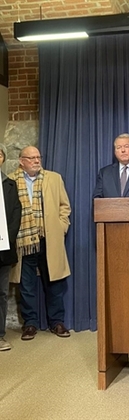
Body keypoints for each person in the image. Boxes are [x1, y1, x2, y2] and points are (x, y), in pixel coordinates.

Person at [9, 146, 71, 340]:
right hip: (23, 241)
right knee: (26, 285)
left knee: (54, 282)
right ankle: (30, 324)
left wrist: (61, 227)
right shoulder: (11, 181)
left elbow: (64, 206)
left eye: (38, 157)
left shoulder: (54, 178)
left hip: (48, 239)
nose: (37, 161)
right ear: (22, 161)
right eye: (32, 158)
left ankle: (57, 322)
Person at [0, 144, 21, 351]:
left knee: (1, 293)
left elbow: (16, 213)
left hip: (3, 250)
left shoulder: (10, 184)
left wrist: (8, 239)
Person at [93, 133, 129, 198]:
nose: (123, 150)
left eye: (126, 146)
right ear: (115, 152)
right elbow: (97, 200)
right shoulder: (104, 173)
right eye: (119, 147)